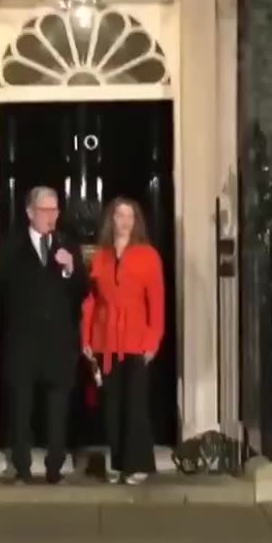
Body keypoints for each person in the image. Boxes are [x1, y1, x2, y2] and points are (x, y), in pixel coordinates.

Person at [0, 186, 87, 484]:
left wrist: (70, 269)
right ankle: (22, 466)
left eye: (55, 210)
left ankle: (54, 467)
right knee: (21, 406)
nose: (51, 216)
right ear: (29, 212)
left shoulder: (66, 244)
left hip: (58, 343)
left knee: (57, 409)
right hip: (23, 342)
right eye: (45, 210)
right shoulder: (12, 246)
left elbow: (83, 290)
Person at [81, 197, 165, 485]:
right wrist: (86, 337)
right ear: (111, 219)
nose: (125, 221)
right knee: (112, 406)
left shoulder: (148, 255)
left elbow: (156, 300)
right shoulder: (100, 256)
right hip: (105, 341)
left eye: (130, 216)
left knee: (136, 405)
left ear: (136, 221)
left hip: (136, 339)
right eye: (120, 215)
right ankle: (119, 464)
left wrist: (153, 340)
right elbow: (90, 301)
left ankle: (138, 464)